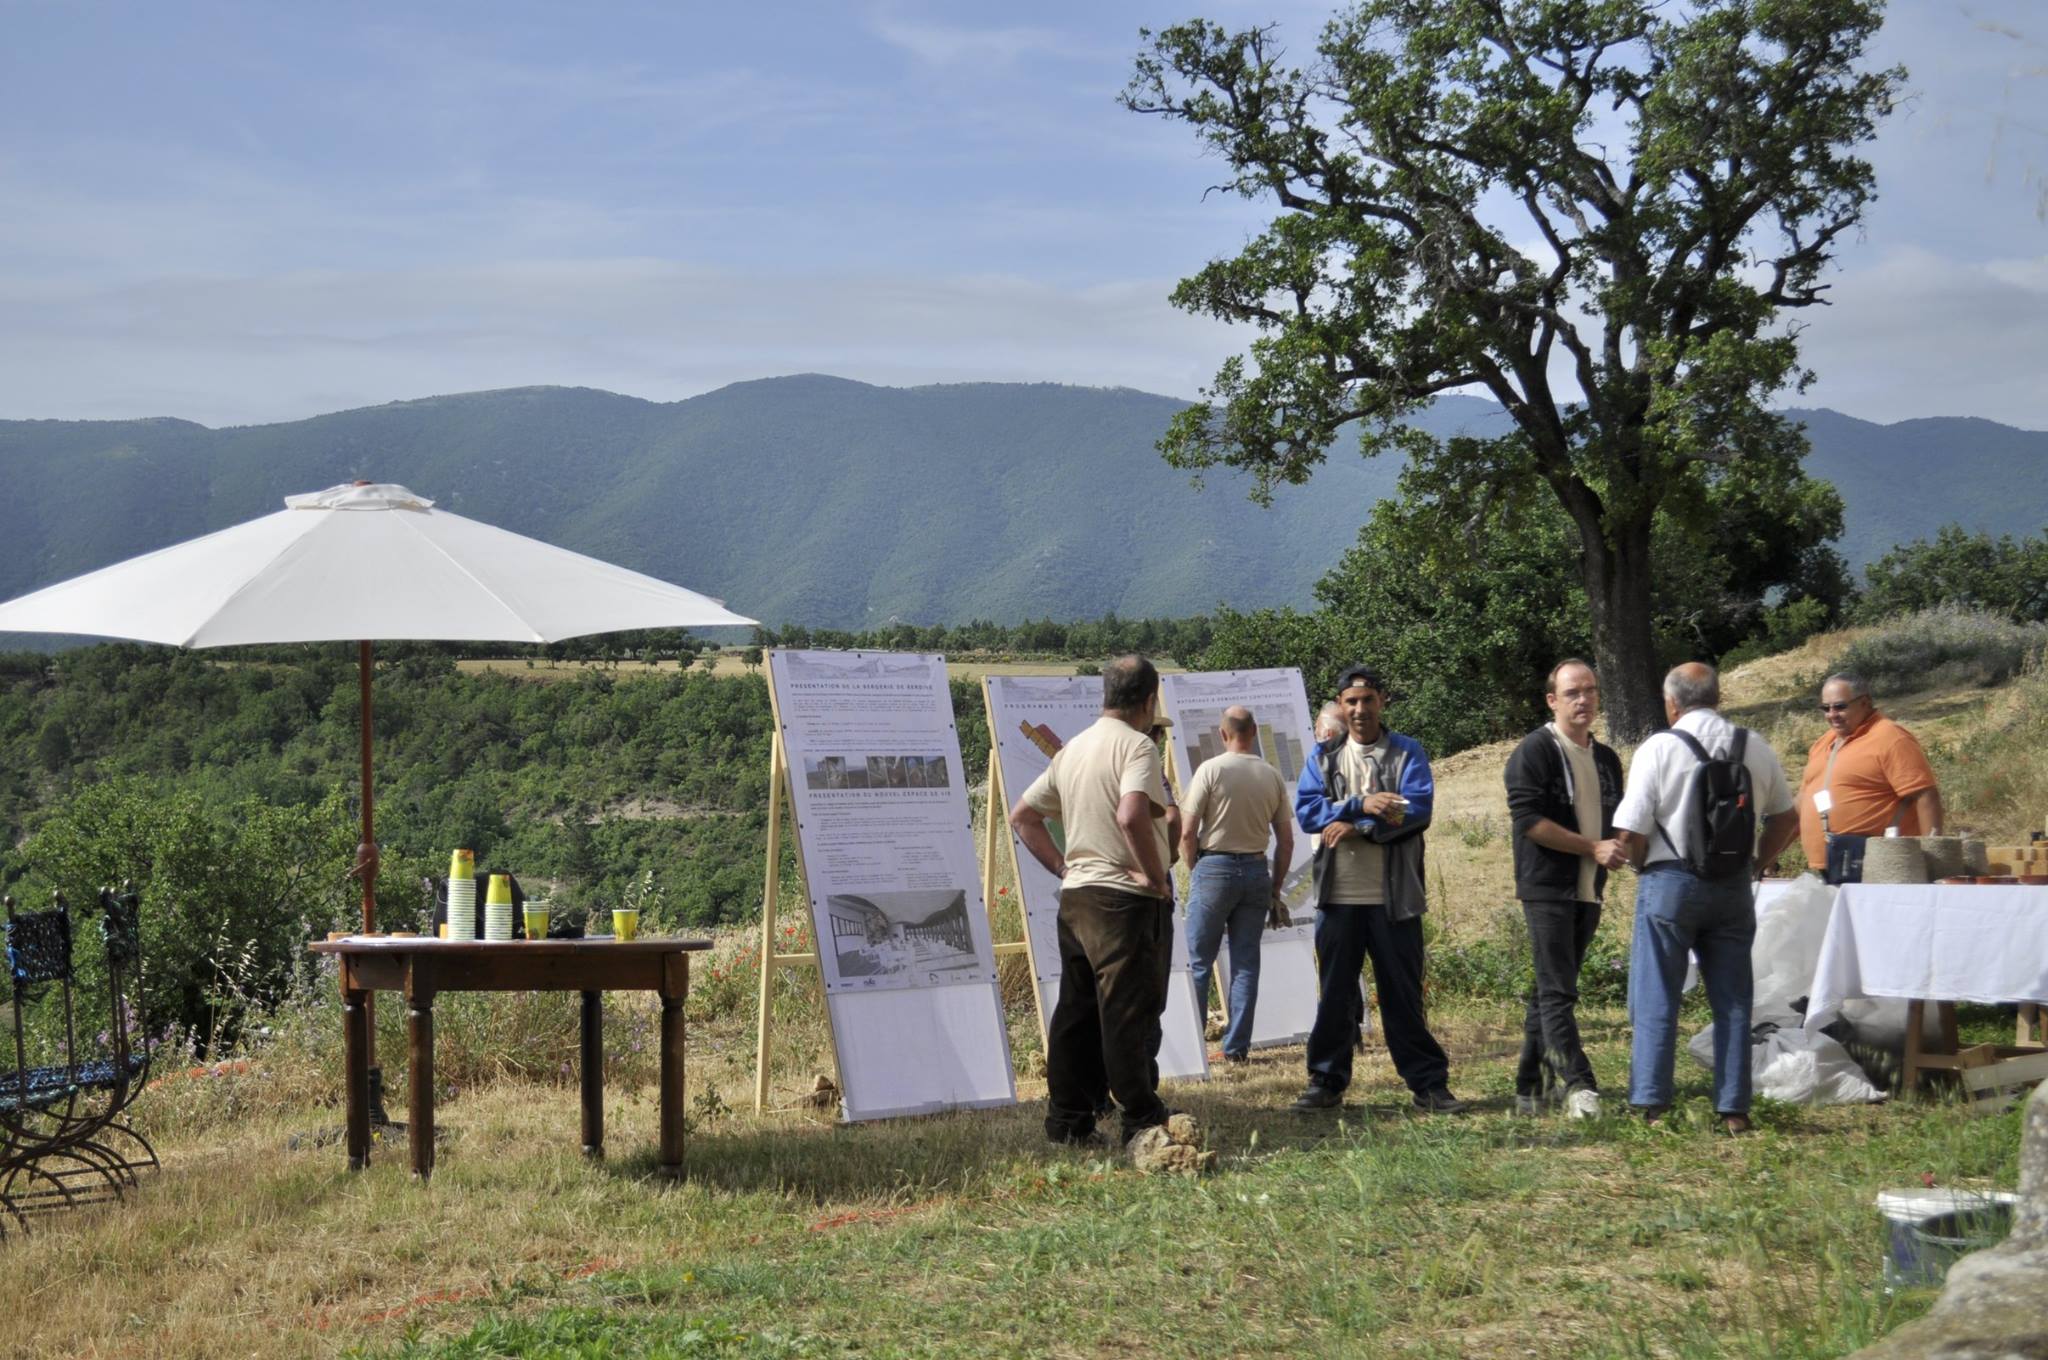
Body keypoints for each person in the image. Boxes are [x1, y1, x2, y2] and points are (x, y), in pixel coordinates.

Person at [1612, 662, 1800, 1133]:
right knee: (1735, 998)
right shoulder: (1752, 745)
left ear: (1671, 702)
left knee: (1660, 993)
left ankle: (1653, 1104)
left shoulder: (1659, 747)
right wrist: (1755, 864)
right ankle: (1734, 1108)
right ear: (1719, 697)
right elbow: (1786, 818)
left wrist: (1639, 865)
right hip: (1733, 885)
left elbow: (1630, 827)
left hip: (1670, 880)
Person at [1010, 654, 1175, 1146]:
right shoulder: (1138, 748)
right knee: (1127, 1011)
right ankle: (1141, 1117)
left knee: (1077, 1012)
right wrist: (1154, 877)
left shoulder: (1074, 749)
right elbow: (1131, 815)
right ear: (1149, 700)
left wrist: (1064, 867)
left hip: (1077, 896)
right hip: (1123, 902)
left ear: (1105, 695)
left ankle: (1068, 1119)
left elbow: (1023, 817)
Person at [1291, 665, 1466, 1114]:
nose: (1360, 709)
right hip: (1339, 899)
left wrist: (1358, 826)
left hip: (1395, 900)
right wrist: (1359, 804)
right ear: (1340, 706)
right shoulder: (1324, 757)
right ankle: (1326, 1081)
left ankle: (1429, 1085)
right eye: (1351, 701)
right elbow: (1309, 813)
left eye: (1367, 700)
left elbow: (1417, 809)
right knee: (1335, 995)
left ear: (1382, 701)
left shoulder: (1408, 752)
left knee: (1402, 995)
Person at [1503, 659, 1627, 1118]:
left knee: (1549, 990)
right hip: (1547, 888)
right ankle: (1579, 1086)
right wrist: (1592, 847)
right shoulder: (1534, 752)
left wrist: (1622, 847)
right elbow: (1530, 822)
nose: (1584, 700)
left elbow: (1619, 823)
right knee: (1559, 992)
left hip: (1590, 889)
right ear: (1552, 700)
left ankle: (1529, 1088)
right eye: (1573, 692)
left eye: (1590, 691)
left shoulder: (1608, 758)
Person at [1177, 706, 1293, 1064]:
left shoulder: (1210, 770)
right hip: (1257, 870)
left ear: (1223, 734)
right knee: (1245, 964)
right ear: (1254, 732)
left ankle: (1195, 1045)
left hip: (1214, 866)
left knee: (1198, 962)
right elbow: (1286, 841)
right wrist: (1275, 888)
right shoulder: (1271, 775)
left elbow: (1186, 831)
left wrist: (1196, 866)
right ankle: (1236, 1047)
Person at [1796, 671, 1944, 883]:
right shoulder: (1822, 744)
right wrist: (1769, 853)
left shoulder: (1891, 738)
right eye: (1825, 708)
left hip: (1880, 865)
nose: (1832, 714)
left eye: (1840, 706)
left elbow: (1925, 795)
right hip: (1829, 865)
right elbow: (1801, 802)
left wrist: (1934, 859)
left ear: (1864, 703)